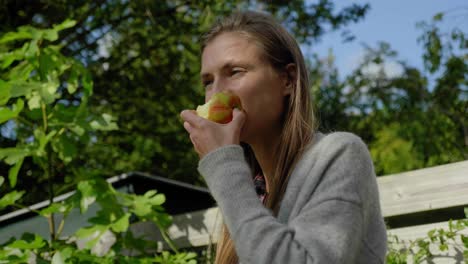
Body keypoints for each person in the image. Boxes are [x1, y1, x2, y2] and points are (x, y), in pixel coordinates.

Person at [180, 10, 387, 264]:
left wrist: (221, 164)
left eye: (235, 72)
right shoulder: (252, 188)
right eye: (208, 81)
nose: (216, 94)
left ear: (287, 80)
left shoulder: (340, 155)